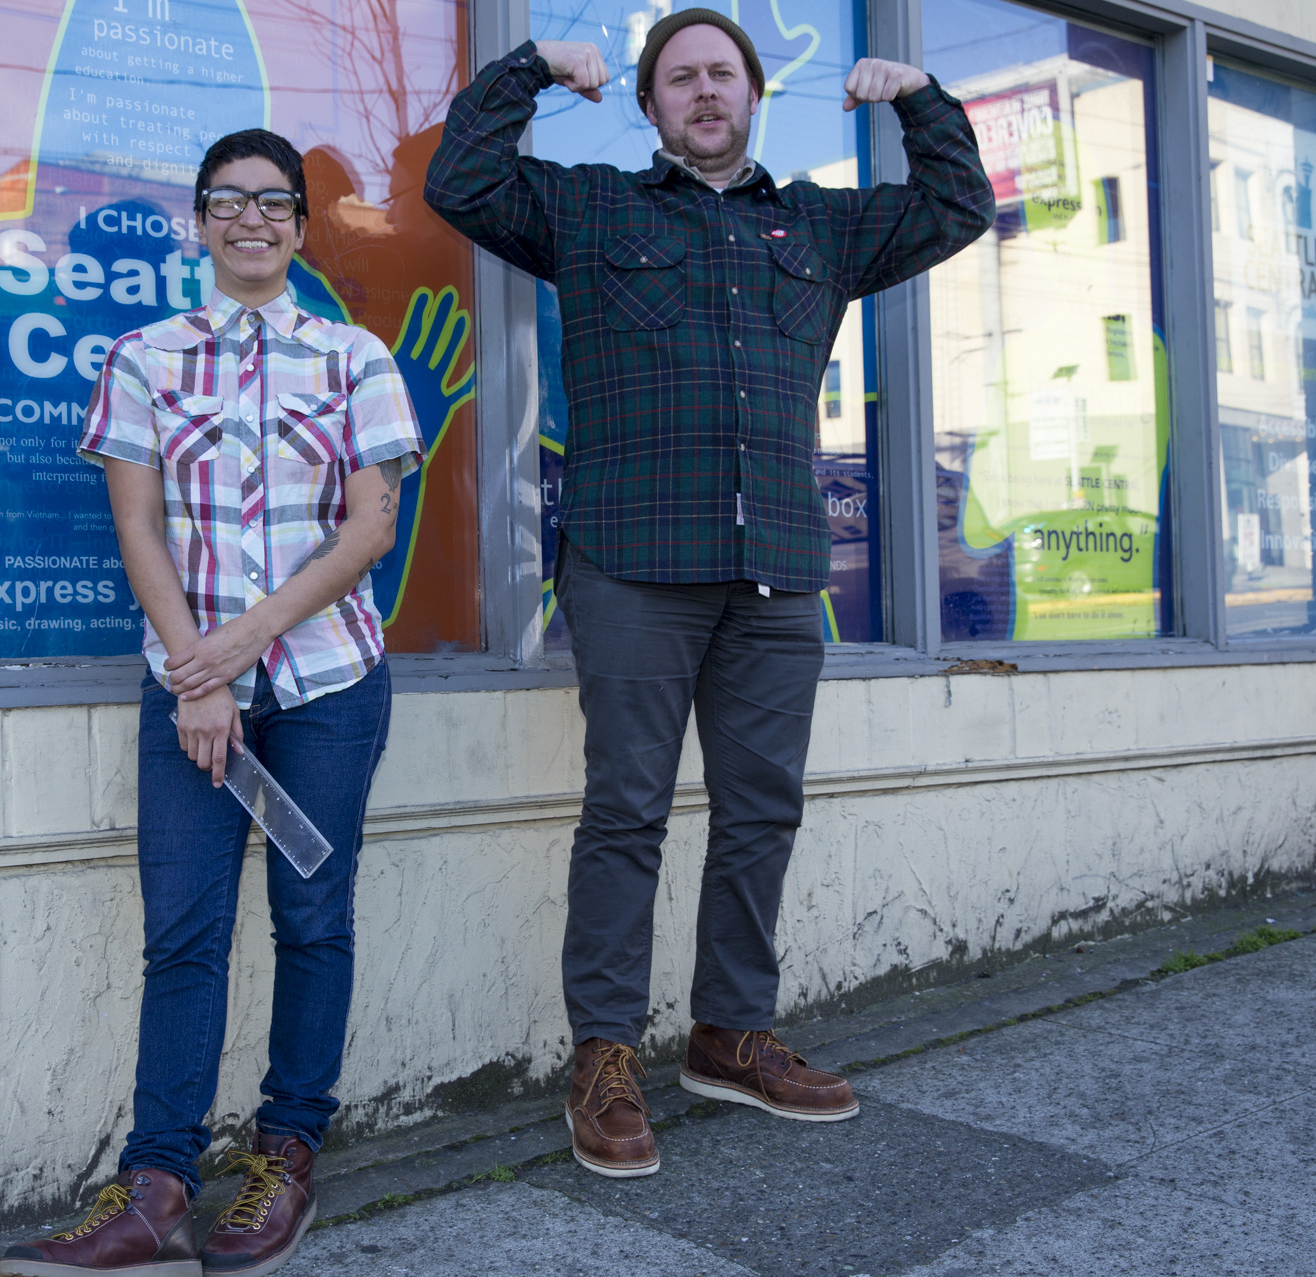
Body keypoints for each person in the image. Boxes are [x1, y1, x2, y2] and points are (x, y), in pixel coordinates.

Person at [425, 10, 993, 1177]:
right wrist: (530, 68)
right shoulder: (588, 210)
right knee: (626, 812)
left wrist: (919, 100)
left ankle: (730, 1033)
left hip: (779, 570)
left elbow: (957, 207)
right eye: (679, 77)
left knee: (761, 811)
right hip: (634, 561)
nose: (703, 91)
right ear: (650, 105)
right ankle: (603, 1057)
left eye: (721, 73)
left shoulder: (824, 225)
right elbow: (461, 177)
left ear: (752, 94)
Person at [0, 128, 423, 1277]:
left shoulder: (355, 358)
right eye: (227, 201)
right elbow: (137, 523)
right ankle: (156, 1184)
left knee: (312, 918)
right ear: (200, 219)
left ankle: (285, 1153)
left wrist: (239, 646)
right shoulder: (143, 356)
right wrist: (200, 673)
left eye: (273, 202)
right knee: (183, 933)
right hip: (193, 696)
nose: (251, 219)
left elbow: (369, 528)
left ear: (298, 223)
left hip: (328, 685)